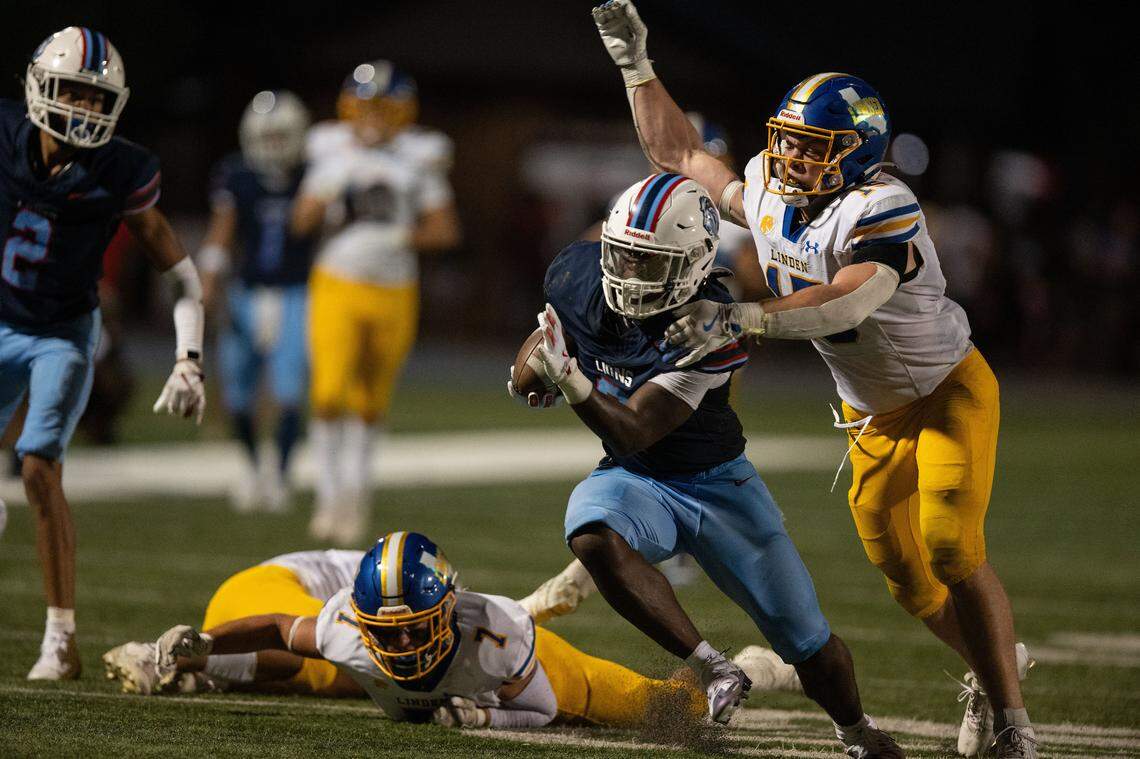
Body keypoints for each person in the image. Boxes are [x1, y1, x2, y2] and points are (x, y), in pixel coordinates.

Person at [591, 3, 1035, 757]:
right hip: (868, 416)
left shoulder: (882, 204)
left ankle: (1015, 725)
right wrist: (637, 67)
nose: (792, 158)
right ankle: (994, 666)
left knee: (950, 548)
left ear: (859, 153)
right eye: (789, 141)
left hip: (946, 393)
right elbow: (683, 153)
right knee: (909, 583)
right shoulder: (769, 192)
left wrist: (744, 318)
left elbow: (848, 300)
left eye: (813, 147)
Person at [514, 173, 902, 756]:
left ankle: (856, 731)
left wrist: (568, 379)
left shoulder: (710, 326)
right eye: (623, 255)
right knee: (591, 532)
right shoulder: (577, 276)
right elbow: (550, 337)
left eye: (649, 263)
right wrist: (534, 365)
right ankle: (712, 666)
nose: (628, 274)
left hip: (719, 489)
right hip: (636, 478)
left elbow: (634, 426)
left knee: (807, 643)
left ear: (693, 263)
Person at [104, 533, 796, 730]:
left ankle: (757, 666)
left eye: (414, 630)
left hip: (496, 651)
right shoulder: (346, 629)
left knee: (653, 707)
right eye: (388, 633)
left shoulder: (492, 641)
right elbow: (281, 627)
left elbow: (543, 707)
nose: (401, 644)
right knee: (305, 664)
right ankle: (186, 667)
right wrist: (203, 645)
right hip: (298, 591)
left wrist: (484, 718)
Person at [0, 27, 205, 680]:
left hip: (63, 331)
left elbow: (179, 272)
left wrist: (189, 357)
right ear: (39, 87)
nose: (85, 110)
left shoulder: (122, 169)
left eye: (96, 99)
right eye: (73, 94)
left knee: (38, 468)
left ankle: (60, 638)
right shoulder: (6, 136)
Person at [292, 62, 461, 546]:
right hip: (336, 282)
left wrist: (403, 236)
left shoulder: (417, 159)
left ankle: (356, 494)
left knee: (370, 401)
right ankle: (328, 496)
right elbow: (299, 224)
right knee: (328, 393)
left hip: (394, 289)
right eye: (367, 107)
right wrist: (326, 192)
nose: (375, 117)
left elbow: (446, 230)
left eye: (385, 108)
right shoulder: (330, 152)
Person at [199, 90, 313, 512]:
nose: (273, 146)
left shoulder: (313, 175)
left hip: (297, 291)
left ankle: (280, 475)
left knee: (288, 393)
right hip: (245, 292)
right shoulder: (237, 175)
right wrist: (209, 282)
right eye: (266, 137)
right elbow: (222, 232)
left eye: (281, 137)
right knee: (238, 396)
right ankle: (252, 468)